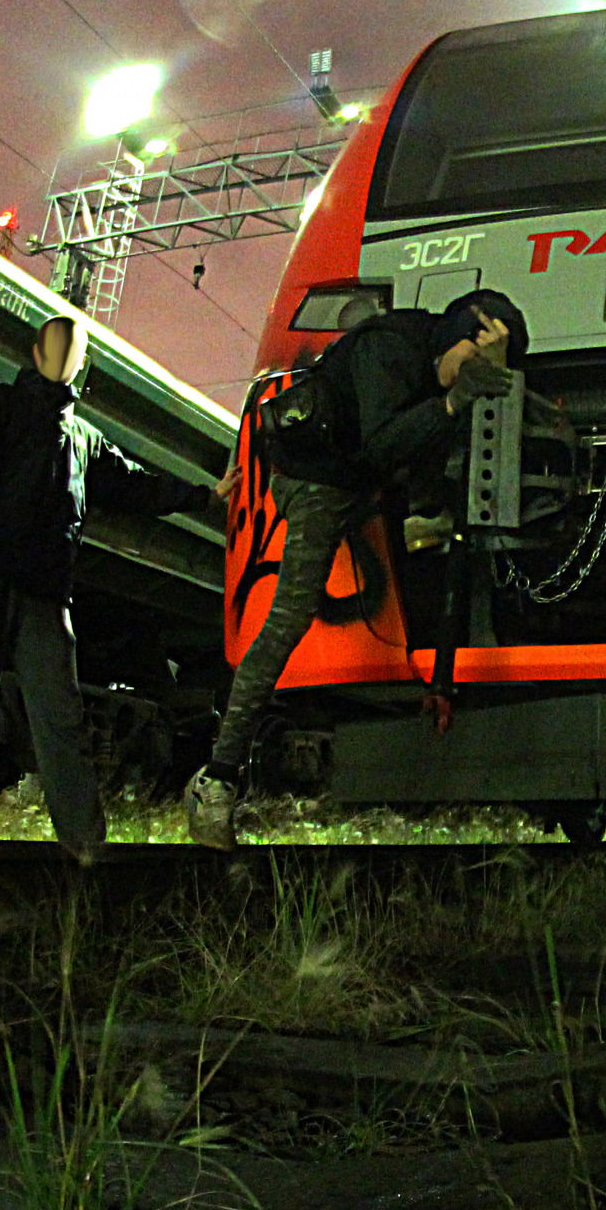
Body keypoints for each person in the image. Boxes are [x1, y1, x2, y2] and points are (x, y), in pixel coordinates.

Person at [183, 290, 527, 848]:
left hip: (360, 481)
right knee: (288, 620)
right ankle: (217, 778)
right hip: (316, 481)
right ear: (456, 336)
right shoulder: (389, 347)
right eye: (470, 359)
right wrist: (453, 403)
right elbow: (380, 443)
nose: (469, 375)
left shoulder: (432, 363)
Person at [0, 315, 237, 854]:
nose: (62, 357)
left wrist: (203, 496)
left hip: (36, 592)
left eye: (71, 350)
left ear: (79, 364)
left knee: (55, 718)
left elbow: (135, 484)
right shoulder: (3, 406)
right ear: (40, 354)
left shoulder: (81, 438)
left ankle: (80, 843)